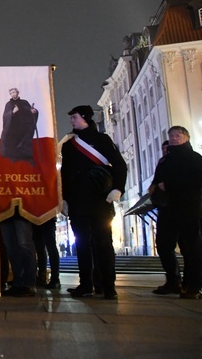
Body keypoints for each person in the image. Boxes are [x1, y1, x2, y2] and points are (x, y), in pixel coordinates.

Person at [61, 105, 127, 300]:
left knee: (103, 243)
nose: (72, 121)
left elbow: (120, 165)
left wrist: (118, 188)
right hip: (77, 201)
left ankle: (108, 286)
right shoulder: (69, 145)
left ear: (84, 118)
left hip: (100, 200)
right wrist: (64, 198)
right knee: (81, 244)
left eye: (74, 117)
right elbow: (65, 174)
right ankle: (86, 284)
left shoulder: (102, 140)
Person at [150, 126, 202, 299]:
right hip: (168, 209)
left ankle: (193, 285)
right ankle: (173, 280)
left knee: (191, 248)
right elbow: (156, 182)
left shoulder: (195, 159)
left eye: (177, 135)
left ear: (186, 137)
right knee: (164, 245)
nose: (173, 138)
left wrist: (169, 185)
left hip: (189, 208)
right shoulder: (165, 161)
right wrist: (157, 190)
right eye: (171, 136)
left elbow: (195, 183)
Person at [0, 209, 37, 296]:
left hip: (21, 211)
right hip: (4, 212)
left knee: (24, 243)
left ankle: (29, 283)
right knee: (10, 246)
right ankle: (18, 282)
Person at [0, 87, 38, 165]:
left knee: (24, 142)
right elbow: (5, 116)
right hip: (13, 129)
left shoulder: (24, 102)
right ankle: (14, 158)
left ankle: (26, 158)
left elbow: (30, 111)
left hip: (24, 127)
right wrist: (12, 112)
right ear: (10, 94)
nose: (13, 94)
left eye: (15, 92)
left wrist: (34, 111)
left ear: (18, 93)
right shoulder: (9, 104)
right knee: (12, 142)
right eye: (12, 93)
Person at [33, 216, 61, 289]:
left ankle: (55, 279)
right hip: (36, 218)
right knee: (40, 248)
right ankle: (42, 276)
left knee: (50, 247)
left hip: (47, 217)